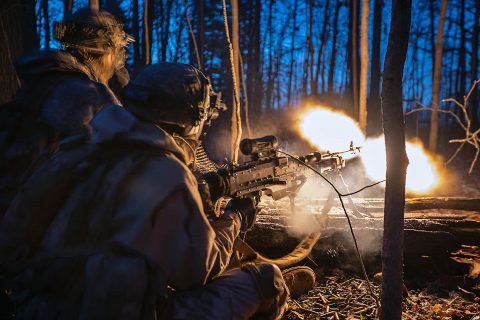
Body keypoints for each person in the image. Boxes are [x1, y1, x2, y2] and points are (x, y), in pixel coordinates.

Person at [0, 63, 316, 319]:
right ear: (193, 118)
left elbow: (13, 241)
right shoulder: (165, 171)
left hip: (37, 308)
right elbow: (197, 273)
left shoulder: (73, 150)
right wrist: (236, 217)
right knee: (265, 280)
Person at [0, 6, 133, 216]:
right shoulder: (91, 95)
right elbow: (126, 162)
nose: (118, 64)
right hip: (43, 217)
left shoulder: (41, 85)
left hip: (13, 206)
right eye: (117, 54)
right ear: (104, 53)